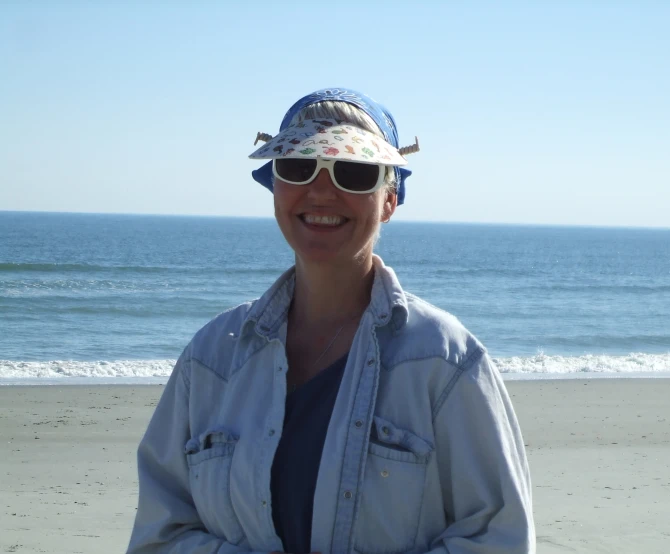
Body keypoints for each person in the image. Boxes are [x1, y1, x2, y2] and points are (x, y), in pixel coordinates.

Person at [126, 88, 535, 554]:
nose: (321, 190)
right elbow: (159, 535)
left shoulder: (445, 363)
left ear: (389, 200)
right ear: (274, 186)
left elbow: (498, 538)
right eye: (299, 166)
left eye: (354, 171)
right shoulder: (211, 359)